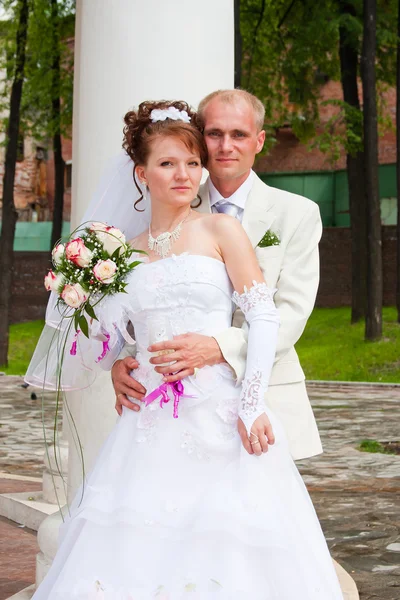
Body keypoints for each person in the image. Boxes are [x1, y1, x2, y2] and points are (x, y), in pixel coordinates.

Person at [30, 100, 343, 599]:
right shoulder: (121, 253)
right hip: (148, 422)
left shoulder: (222, 229)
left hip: (220, 411)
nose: (185, 174)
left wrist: (251, 403)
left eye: (192, 163)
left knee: (230, 545)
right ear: (141, 172)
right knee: (135, 542)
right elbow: (123, 332)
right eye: (168, 163)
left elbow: (267, 315)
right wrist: (117, 362)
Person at [111, 89, 323, 462]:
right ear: (199, 136)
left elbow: (290, 312)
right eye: (214, 134)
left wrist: (219, 347)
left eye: (238, 134)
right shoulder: (174, 199)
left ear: (258, 141)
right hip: (168, 403)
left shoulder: (298, 213)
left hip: (264, 395)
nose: (226, 146)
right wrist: (124, 360)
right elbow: (150, 299)